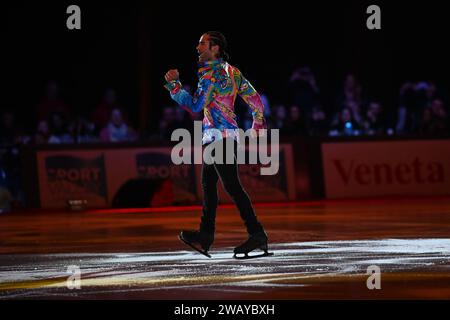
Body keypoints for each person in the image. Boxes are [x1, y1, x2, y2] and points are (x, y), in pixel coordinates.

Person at [164, 31, 270, 259]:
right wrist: (257, 123)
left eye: (202, 44)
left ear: (216, 49)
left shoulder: (210, 75)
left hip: (218, 137)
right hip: (226, 136)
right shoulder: (233, 72)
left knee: (231, 185)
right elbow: (254, 98)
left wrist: (174, 86)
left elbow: (195, 104)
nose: (197, 48)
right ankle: (205, 234)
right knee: (209, 183)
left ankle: (256, 233)